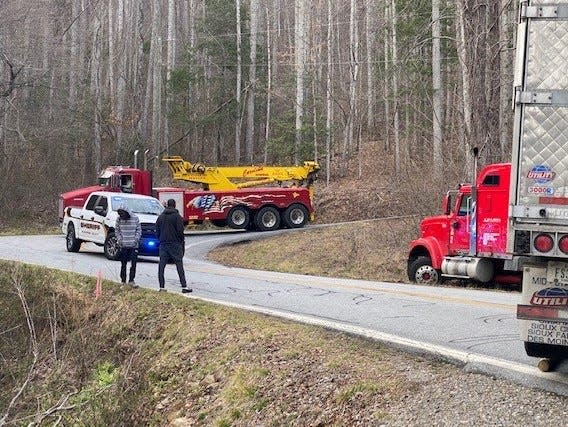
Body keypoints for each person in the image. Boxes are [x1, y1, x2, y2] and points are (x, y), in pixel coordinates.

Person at [156, 199, 191, 293]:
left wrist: (160, 239)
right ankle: (184, 286)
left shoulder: (160, 217)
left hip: (163, 244)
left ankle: (162, 287)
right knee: (179, 265)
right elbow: (180, 231)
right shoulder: (177, 217)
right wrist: (181, 241)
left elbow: (157, 231)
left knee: (161, 265)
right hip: (175, 244)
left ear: (167, 205)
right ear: (174, 205)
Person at [116, 205, 141, 288]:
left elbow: (138, 230)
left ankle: (131, 280)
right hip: (124, 245)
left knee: (133, 264)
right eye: (120, 214)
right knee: (123, 264)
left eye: (123, 214)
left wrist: (135, 240)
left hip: (133, 245)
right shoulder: (119, 219)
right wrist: (120, 240)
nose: (122, 216)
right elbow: (117, 230)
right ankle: (123, 281)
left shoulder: (135, 218)